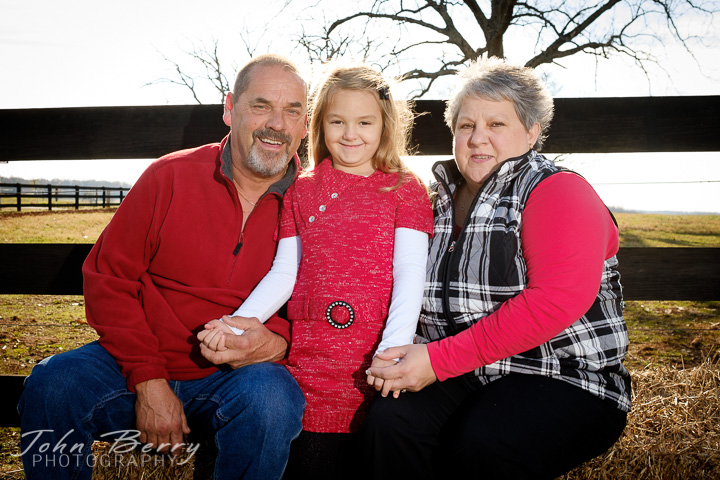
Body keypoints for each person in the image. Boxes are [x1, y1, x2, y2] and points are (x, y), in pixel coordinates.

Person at [17, 53, 309, 480]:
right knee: (53, 382)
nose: (277, 124)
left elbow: (327, 307)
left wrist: (276, 344)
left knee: (273, 399)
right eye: (261, 105)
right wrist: (148, 379)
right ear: (230, 109)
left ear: (305, 124)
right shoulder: (169, 176)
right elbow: (108, 278)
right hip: (133, 364)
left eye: (292, 111)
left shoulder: (316, 202)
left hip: (235, 380)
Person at [362, 56, 632, 480]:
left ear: (532, 132)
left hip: (562, 375)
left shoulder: (557, 191)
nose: (477, 138)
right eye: (466, 125)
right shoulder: (434, 201)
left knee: (482, 443)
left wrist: (435, 361)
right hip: (467, 371)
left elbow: (556, 301)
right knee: (388, 422)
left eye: (497, 125)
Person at [198, 63, 434, 478]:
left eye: (364, 122)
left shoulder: (404, 189)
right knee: (309, 457)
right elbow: (283, 273)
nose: (350, 134)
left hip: (375, 359)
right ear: (318, 124)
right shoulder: (302, 189)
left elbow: (411, 273)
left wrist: (394, 347)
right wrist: (237, 326)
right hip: (312, 361)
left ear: (385, 124)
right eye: (337, 121)